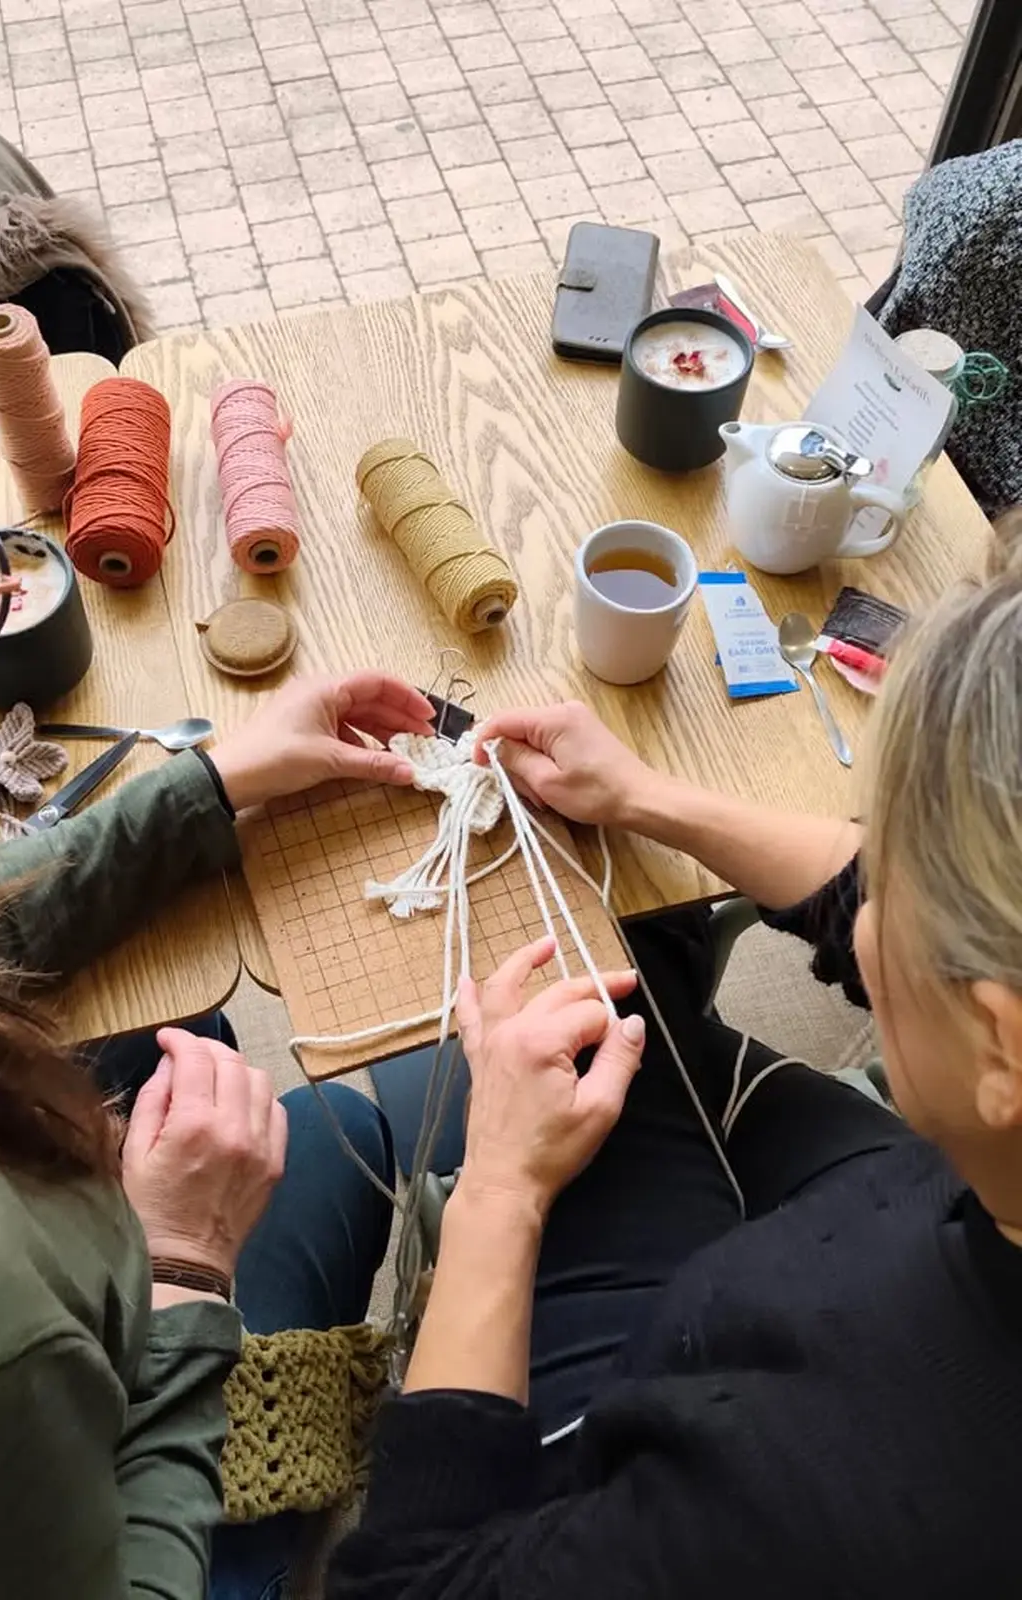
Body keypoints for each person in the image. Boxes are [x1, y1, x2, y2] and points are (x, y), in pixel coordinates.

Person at [0, 305, 432, 1600]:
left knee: (259, 1089)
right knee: (360, 1129)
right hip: (80, 1458)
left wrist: (212, 784)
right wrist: (186, 1270)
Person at [328, 582, 1022, 1598]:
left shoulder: (803, 1500)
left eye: (899, 866)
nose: (866, 898)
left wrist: (501, 1193)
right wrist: (644, 798)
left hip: (686, 1399)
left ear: (1001, 1038)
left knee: (611, 1011)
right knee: (640, 970)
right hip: (905, 1207)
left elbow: (404, 1586)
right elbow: (880, 903)